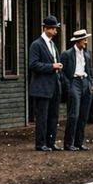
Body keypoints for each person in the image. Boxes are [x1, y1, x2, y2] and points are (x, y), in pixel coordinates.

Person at [28, 16, 64, 151]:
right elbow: (33, 64)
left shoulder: (52, 44)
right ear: (46, 29)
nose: (55, 31)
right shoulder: (36, 45)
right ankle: (40, 143)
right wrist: (52, 66)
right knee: (42, 116)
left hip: (54, 84)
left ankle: (51, 141)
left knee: (54, 115)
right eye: (53, 28)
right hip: (42, 86)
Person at [59, 30, 93, 151]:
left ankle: (80, 142)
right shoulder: (67, 54)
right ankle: (69, 143)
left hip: (85, 82)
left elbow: (90, 70)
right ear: (78, 41)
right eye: (84, 40)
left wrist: (90, 83)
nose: (86, 42)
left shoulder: (87, 54)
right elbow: (61, 72)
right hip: (74, 82)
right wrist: (68, 86)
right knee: (74, 114)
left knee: (84, 115)